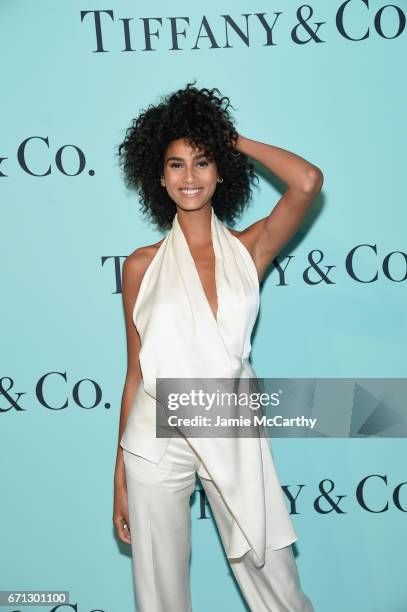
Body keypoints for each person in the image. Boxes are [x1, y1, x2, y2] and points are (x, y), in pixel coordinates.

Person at [113, 81, 322, 611]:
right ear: (158, 177)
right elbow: (135, 373)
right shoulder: (140, 265)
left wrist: (232, 139)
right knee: (159, 592)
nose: (189, 176)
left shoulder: (249, 249)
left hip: (229, 421)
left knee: (273, 574)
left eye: (202, 161)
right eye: (176, 164)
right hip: (155, 436)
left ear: (220, 171)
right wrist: (120, 475)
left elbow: (307, 181)